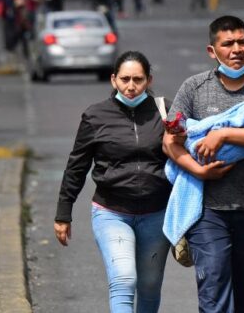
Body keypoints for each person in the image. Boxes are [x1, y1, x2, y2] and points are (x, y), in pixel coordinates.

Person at [162, 15, 244, 313]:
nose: (236, 49)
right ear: (212, 51)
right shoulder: (194, 88)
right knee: (213, 291)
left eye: (242, 42)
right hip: (208, 211)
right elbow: (170, 141)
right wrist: (198, 170)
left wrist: (223, 134)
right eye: (227, 43)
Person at [54, 51, 172, 313]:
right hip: (112, 213)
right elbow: (77, 166)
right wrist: (64, 212)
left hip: (157, 214)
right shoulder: (95, 116)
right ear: (113, 80)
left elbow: (182, 158)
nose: (131, 86)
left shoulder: (165, 111)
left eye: (138, 80)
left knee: (150, 285)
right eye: (125, 79)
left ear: (149, 80)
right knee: (124, 279)